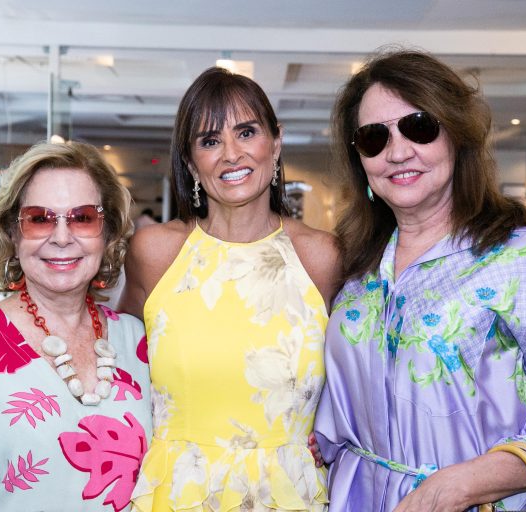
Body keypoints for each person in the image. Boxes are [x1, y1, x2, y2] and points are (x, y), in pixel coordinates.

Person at [314, 49, 526, 512]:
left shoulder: (525, 258)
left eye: (419, 126)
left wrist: (465, 484)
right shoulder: (353, 268)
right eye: (373, 137)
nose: (398, 151)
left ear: (457, 137)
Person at [122, 66, 340, 511]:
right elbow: (118, 362)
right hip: (177, 491)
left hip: (291, 493)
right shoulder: (155, 252)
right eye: (209, 141)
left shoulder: (321, 256)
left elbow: (354, 373)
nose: (231, 154)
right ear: (189, 161)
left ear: (275, 143)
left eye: (246, 132)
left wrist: (333, 430)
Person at [0, 141, 151, 511]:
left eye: (83, 217)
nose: (62, 237)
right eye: (40, 218)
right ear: (12, 232)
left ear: (108, 231)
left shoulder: (137, 342)